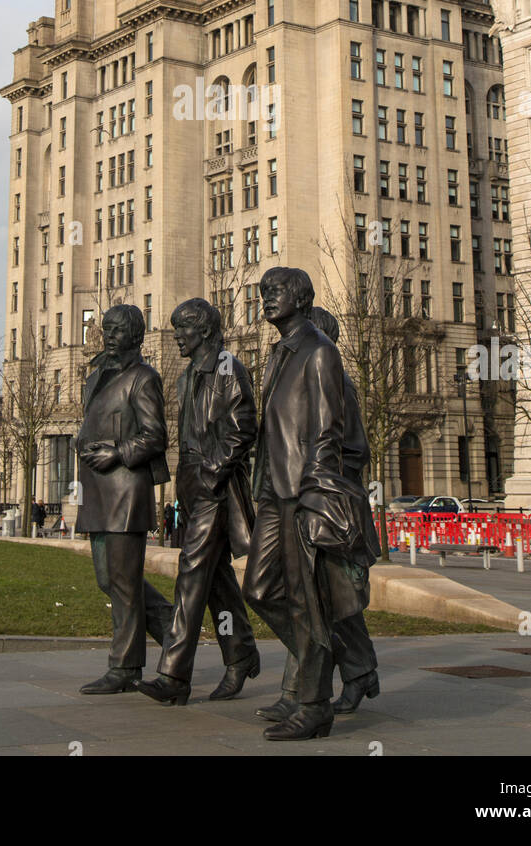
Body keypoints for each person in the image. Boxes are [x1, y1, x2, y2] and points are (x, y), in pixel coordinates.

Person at [243, 267, 376, 741]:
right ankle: (336, 661)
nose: (266, 300)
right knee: (259, 589)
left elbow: (327, 434)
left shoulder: (319, 353)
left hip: (304, 495)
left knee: (309, 603)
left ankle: (312, 700)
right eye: (263, 293)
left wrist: (315, 496)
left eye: (274, 292)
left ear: (300, 298)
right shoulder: (280, 353)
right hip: (276, 494)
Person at [136, 298, 259, 706]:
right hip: (192, 485)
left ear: (204, 330)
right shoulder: (188, 376)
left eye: (183, 329)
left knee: (190, 576)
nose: (176, 338)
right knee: (217, 582)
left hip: (214, 488)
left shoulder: (227, 367)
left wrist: (211, 471)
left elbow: (244, 427)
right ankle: (240, 653)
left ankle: (174, 676)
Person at [75, 304, 173, 693]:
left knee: (123, 581)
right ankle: (172, 626)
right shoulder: (97, 374)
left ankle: (125, 666)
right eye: (106, 329)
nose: (109, 335)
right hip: (98, 491)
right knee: (110, 579)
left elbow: (155, 435)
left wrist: (117, 452)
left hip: (126, 491)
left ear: (136, 335)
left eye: (117, 330)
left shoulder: (144, 378)